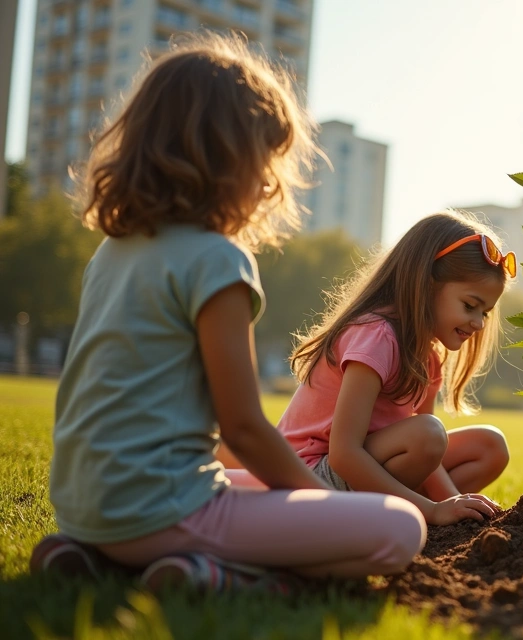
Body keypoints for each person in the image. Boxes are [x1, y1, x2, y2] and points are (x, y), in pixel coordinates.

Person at [29, 33, 427, 592]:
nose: (268, 181)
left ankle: (98, 556)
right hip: (167, 509)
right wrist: (323, 499)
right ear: (226, 156)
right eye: (264, 158)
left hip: (85, 507)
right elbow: (241, 426)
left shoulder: (113, 250)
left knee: (255, 490)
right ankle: (216, 575)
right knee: (399, 528)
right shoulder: (218, 259)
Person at [259, 211, 513, 525]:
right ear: (427, 284)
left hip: (363, 466)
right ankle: (401, 516)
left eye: (485, 312)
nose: (478, 323)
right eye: (470, 306)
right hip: (309, 476)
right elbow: (344, 454)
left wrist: (451, 502)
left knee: (489, 446)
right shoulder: (376, 336)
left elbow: (430, 458)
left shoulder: (429, 355)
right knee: (428, 435)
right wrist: (431, 510)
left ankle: (419, 518)